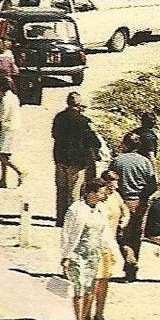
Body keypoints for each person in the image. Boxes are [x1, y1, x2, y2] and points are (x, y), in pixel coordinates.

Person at [60, 178, 109, 320]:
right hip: (77, 253)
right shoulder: (76, 209)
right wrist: (66, 255)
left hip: (93, 254)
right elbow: (67, 233)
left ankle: (84, 318)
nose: (103, 196)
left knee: (90, 288)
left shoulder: (101, 209)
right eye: (101, 192)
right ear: (91, 193)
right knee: (79, 287)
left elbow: (104, 232)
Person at [109, 133, 157, 281]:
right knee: (136, 235)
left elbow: (109, 181)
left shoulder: (117, 161)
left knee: (121, 235)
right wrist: (144, 198)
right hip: (140, 202)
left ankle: (129, 260)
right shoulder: (146, 162)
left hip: (122, 201)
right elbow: (153, 184)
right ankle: (132, 271)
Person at [52, 91, 101, 225]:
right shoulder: (83, 121)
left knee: (61, 190)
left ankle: (60, 218)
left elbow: (54, 135)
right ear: (79, 105)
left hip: (60, 158)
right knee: (74, 192)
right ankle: (72, 221)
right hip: (76, 161)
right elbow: (94, 142)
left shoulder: (59, 117)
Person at [92, 168, 129, 320]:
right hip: (97, 243)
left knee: (105, 280)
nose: (114, 188)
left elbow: (124, 209)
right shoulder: (98, 200)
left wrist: (125, 219)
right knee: (94, 280)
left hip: (110, 243)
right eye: (111, 185)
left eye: (116, 184)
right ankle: (86, 314)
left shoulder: (115, 196)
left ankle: (99, 315)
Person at [0, 77, 25, 190]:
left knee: (0, 154)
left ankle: (20, 171)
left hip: (9, 129)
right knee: (5, 155)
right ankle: (3, 180)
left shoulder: (6, 99)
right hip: (13, 127)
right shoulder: (12, 96)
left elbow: (3, 116)